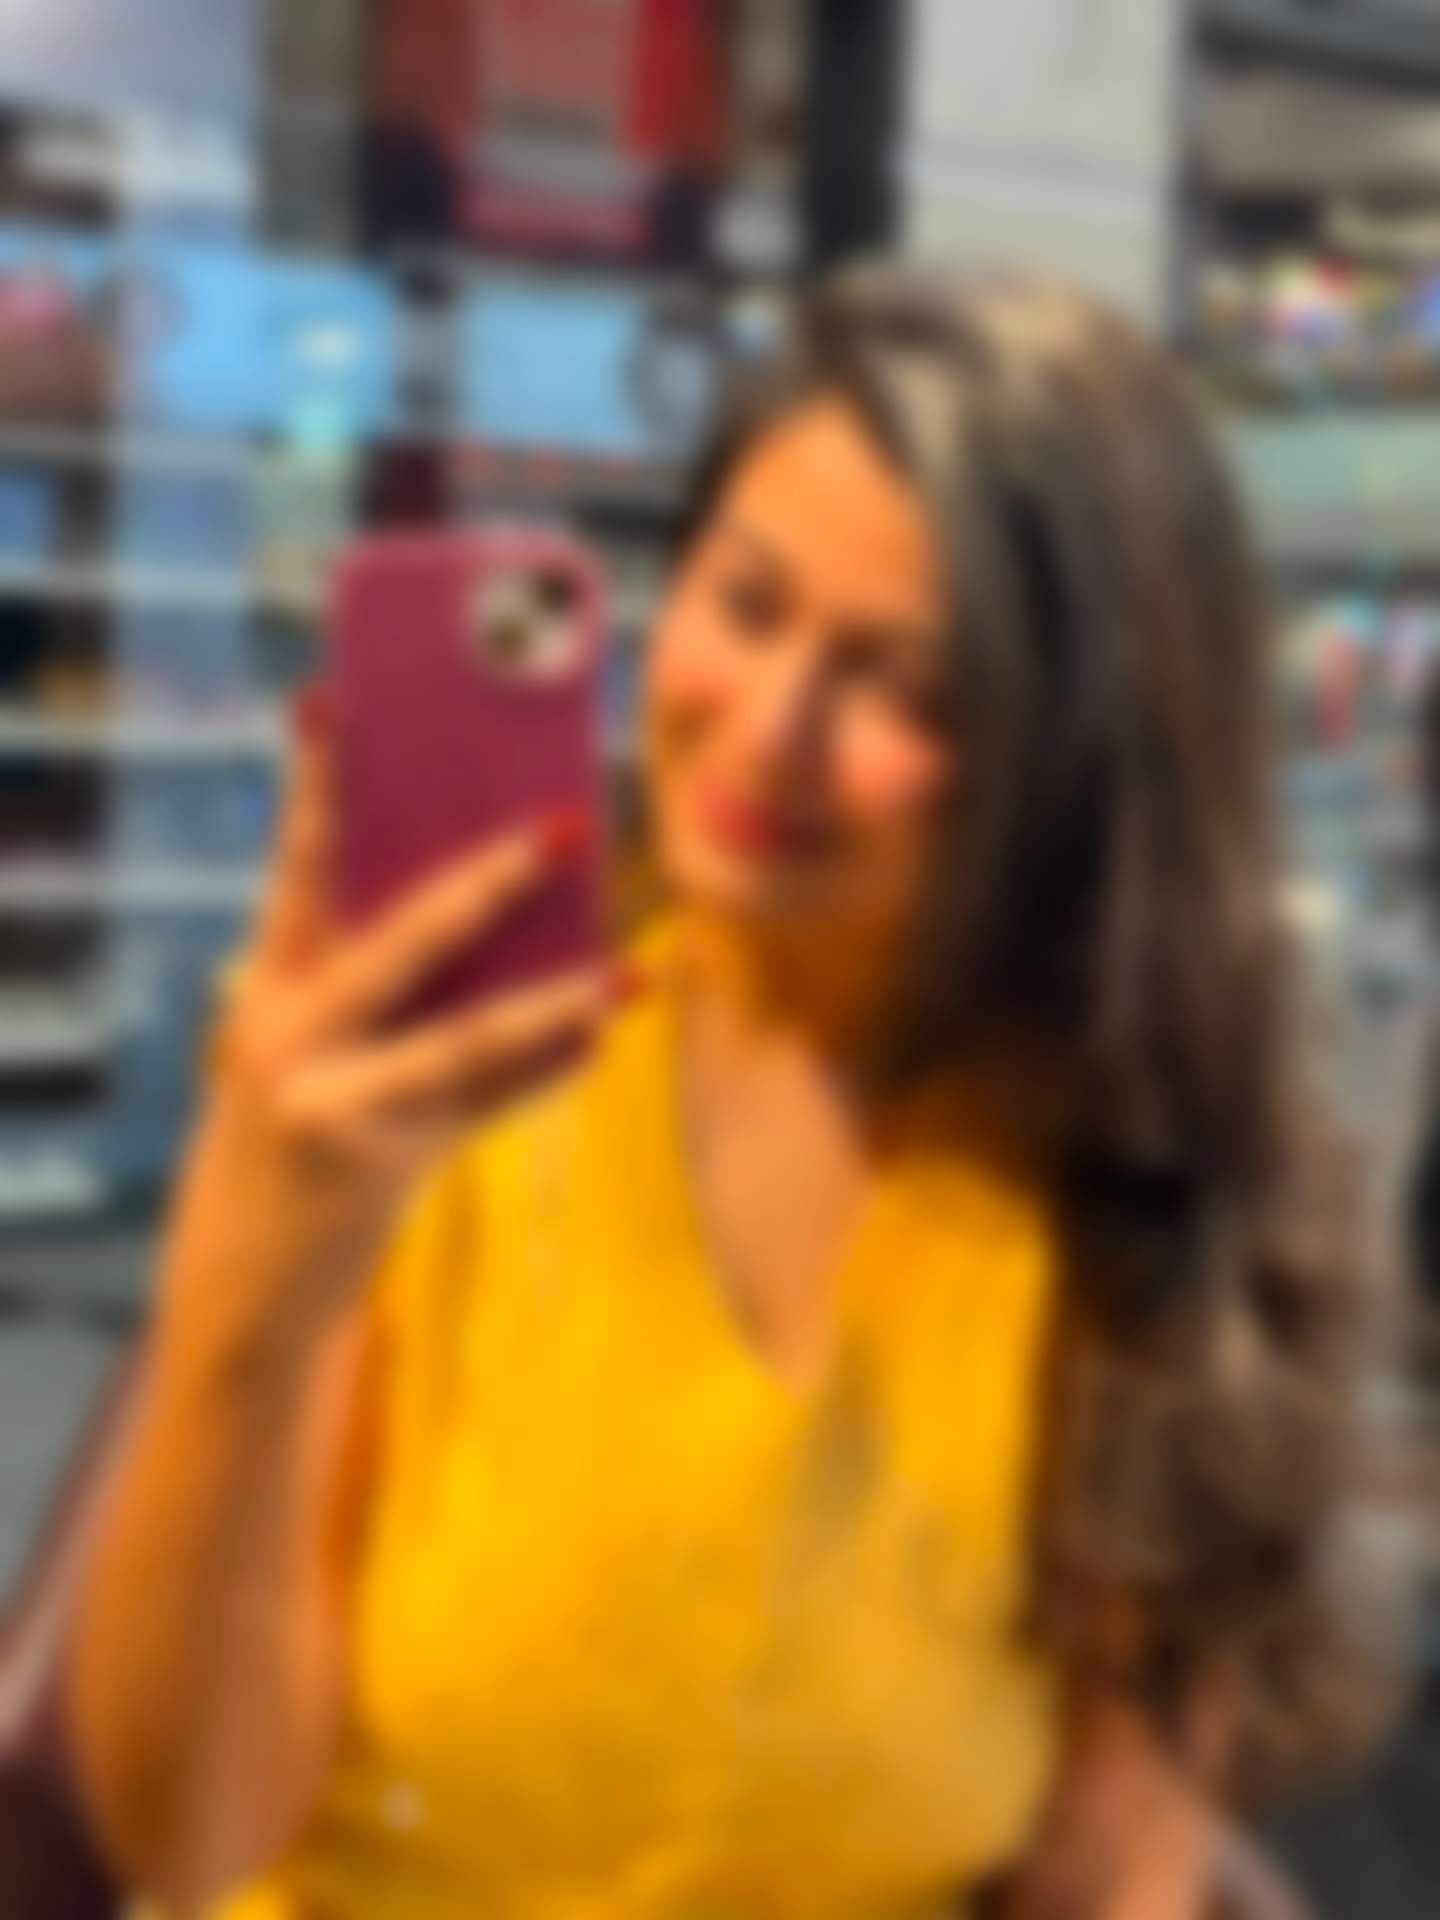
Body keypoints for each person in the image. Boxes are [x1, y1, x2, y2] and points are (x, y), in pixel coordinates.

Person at [68, 268, 1384, 1919]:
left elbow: (1115, 1870)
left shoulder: (1132, 1189)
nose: (770, 729)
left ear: (1082, 767)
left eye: (911, 689)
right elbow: (186, 1835)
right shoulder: (436, 1071)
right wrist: (251, 1290)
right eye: (746, 605)